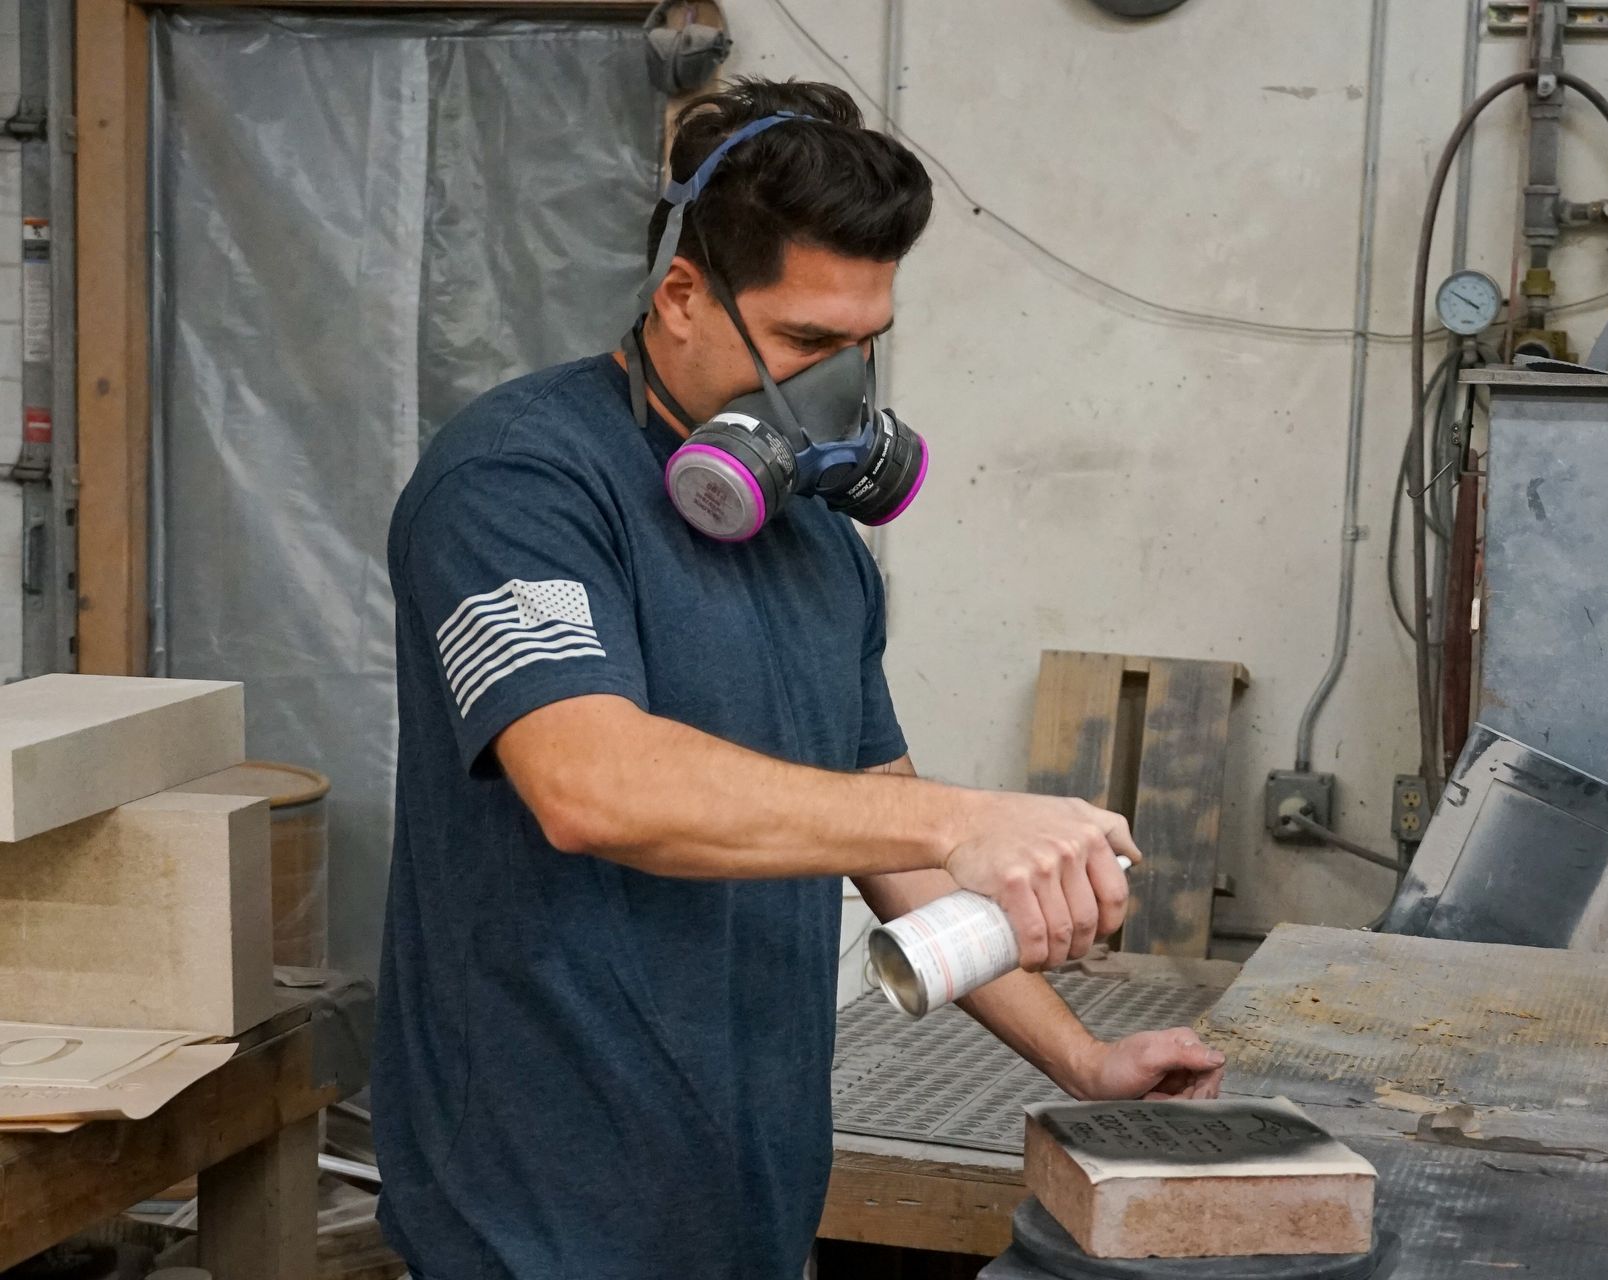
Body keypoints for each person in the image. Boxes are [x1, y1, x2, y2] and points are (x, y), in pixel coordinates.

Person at [372, 76, 1225, 1280]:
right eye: (807, 342)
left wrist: (1080, 1060)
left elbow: (888, 840)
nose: (837, 386)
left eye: (863, 344)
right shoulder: (517, 485)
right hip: (540, 1204)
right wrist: (973, 816)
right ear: (680, 296)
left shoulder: (816, 538)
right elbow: (589, 785)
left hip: (750, 1190)